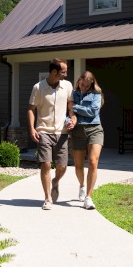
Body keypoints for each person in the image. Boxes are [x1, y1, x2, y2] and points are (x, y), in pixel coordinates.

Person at [28, 58, 75, 210]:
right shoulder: (38, 87)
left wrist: (73, 117)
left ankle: (55, 181)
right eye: (63, 72)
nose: (66, 75)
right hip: (44, 131)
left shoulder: (67, 86)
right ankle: (47, 198)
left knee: (62, 167)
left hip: (62, 132)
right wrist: (32, 129)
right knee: (46, 164)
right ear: (54, 72)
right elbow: (31, 109)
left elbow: (70, 105)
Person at [68, 71, 104, 210]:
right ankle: (82, 186)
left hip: (95, 129)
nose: (84, 88)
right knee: (78, 166)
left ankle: (88, 197)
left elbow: (92, 112)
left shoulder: (96, 95)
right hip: (78, 131)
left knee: (93, 162)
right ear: (78, 81)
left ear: (92, 85)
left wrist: (75, 107)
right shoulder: (72, 94)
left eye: (87, 86)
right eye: (82, 84)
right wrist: (69, 120)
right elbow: (68, 113)